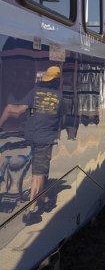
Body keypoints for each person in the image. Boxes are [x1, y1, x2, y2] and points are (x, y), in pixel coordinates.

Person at [0, 65, 64, 225]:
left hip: (33, 138)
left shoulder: (35, 92)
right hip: (45, 140)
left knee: (40, 170)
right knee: (38, 175)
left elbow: (20, 110)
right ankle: (31, 210)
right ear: (57, 80)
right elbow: (60, 118)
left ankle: (47, 199)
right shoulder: (60, 97)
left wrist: (7, 112)